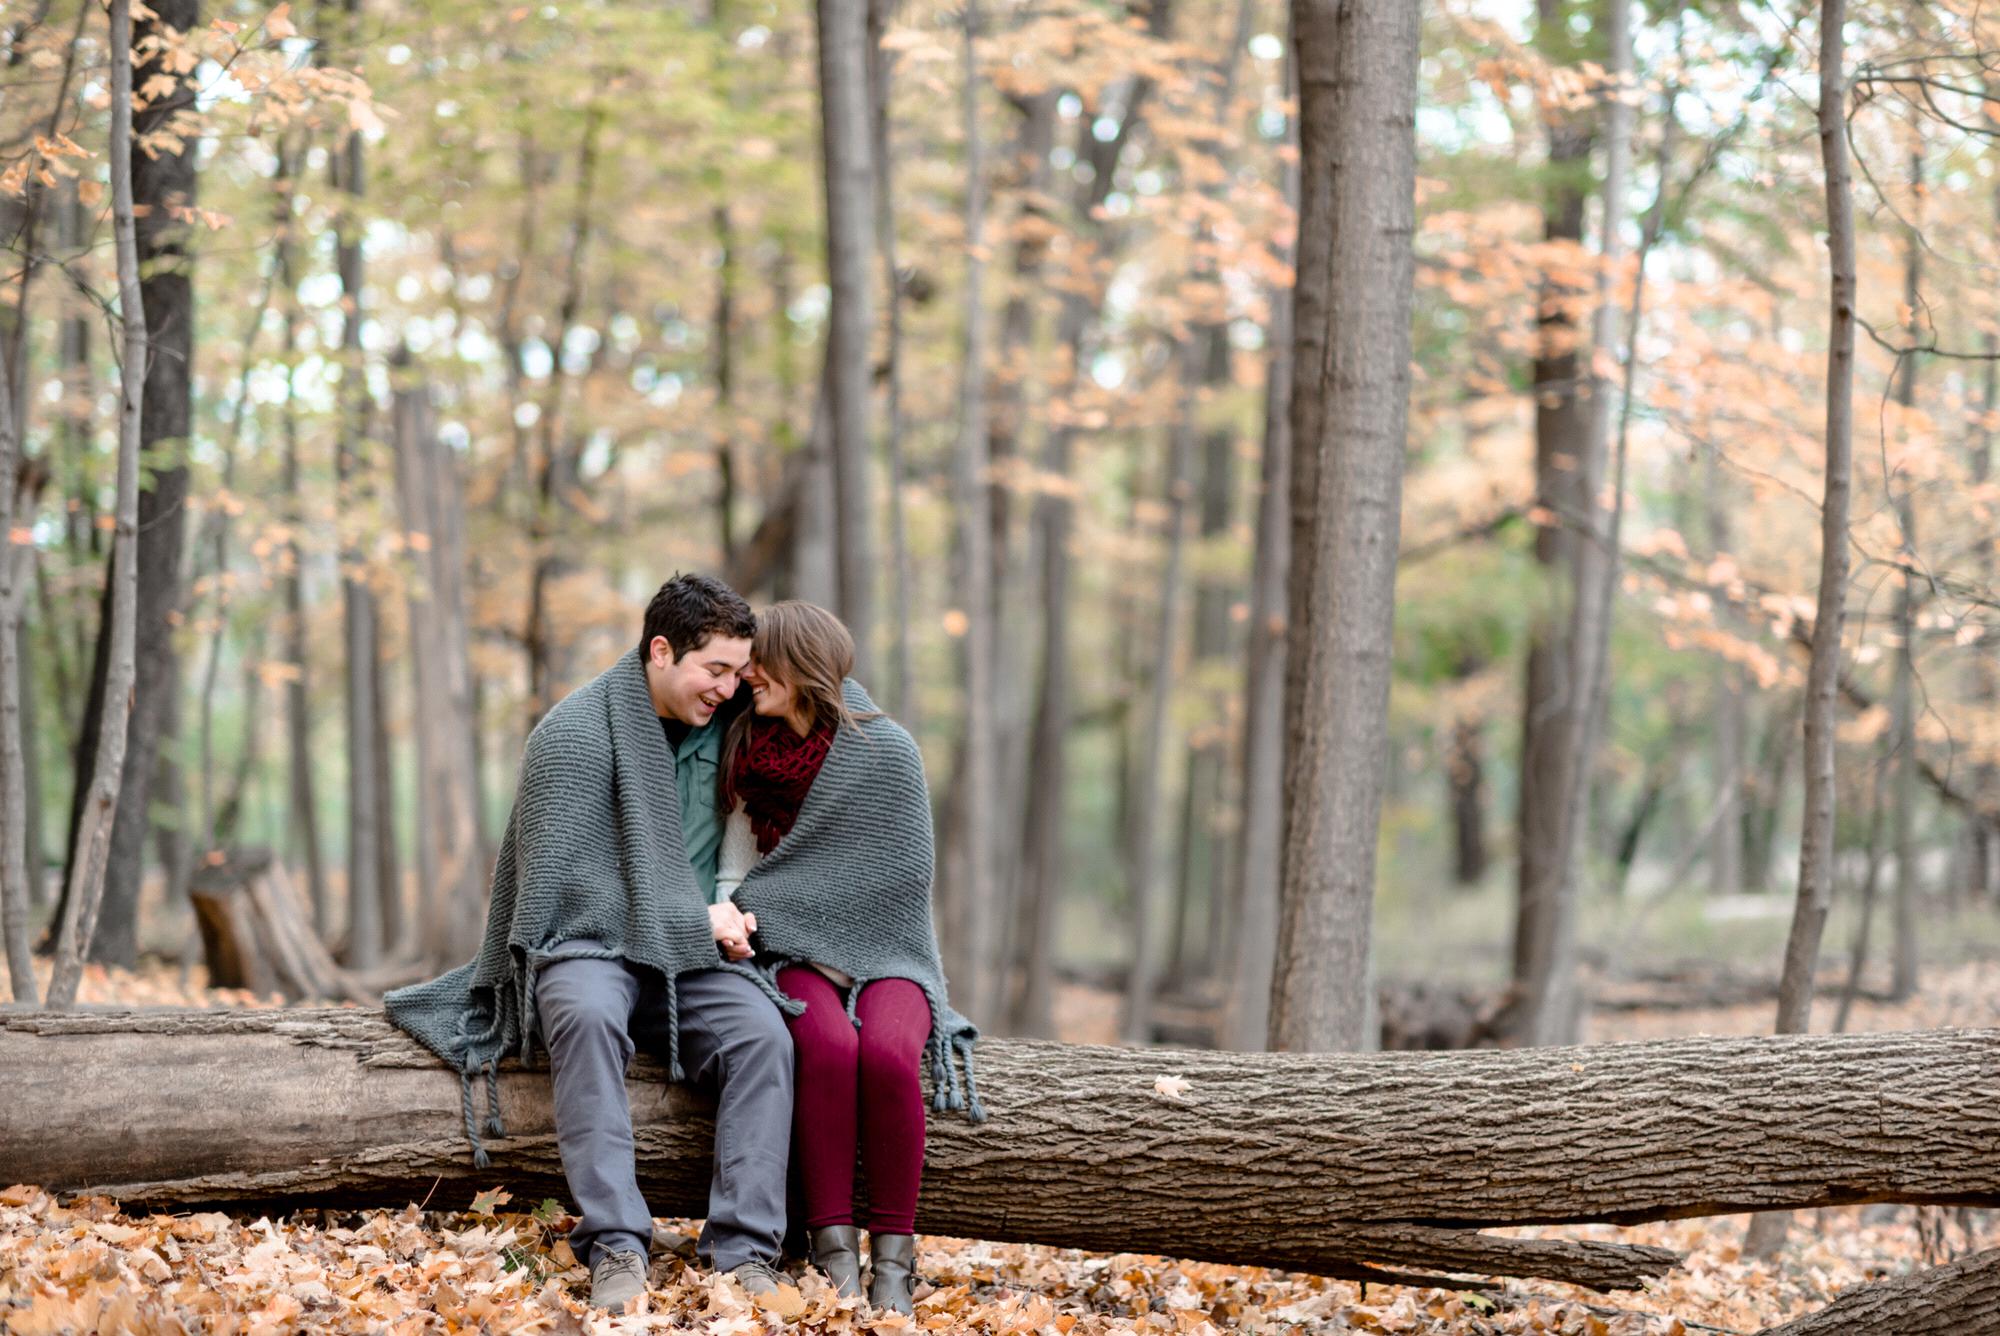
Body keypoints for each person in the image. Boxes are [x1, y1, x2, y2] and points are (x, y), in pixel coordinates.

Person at [384, 574, 798, 1313]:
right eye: (717, 670)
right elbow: (561, 897)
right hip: (589, 949)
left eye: (741, 673)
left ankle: (743, 1251)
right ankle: (615, 1242)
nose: (731, 689)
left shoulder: (731, 730)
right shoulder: (573, 735)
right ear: (661, 651)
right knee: (581, 1012)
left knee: (764, 1035)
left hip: (688, 960)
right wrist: (693, 919)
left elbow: (833, 701)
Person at [714, 601, 982, 1315]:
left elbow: (904, 878)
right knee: (827, 1051)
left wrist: (803, 905)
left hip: (889, 952)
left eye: (759, 662)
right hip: (791, 949)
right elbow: (744, 872)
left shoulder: (885, 750)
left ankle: (894, 1261)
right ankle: (834, 1253)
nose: (747, 676)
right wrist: (737, 913)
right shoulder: (748, 749)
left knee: (891, 1057)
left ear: (801, 665)